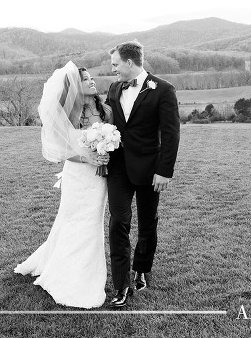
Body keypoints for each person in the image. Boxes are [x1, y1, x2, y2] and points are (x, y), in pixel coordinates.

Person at [14, 61, 113, 309]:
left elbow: (114, 138)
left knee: (92, 223)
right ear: (74, 87)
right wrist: (87, 157)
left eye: (91, 78)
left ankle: (85, 272)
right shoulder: (67, 114)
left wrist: (108, 149)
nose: (92, 81)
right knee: (71, 221)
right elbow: (62, 151)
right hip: (77, 176)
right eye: (86, 79)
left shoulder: (107, 111)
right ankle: (68, 275)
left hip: (99, 179)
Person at [104, 41, 180, 308]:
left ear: (128, 62)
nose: (113, 70)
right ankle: (121, 284)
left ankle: (142, 270)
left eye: (115, 65)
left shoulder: (163, 90)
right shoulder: (113, 89)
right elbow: (106, 121)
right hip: (118, 169)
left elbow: (171, 134)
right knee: (118, 223)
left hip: (150, 170)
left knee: (148, 223)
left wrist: (164, 171)